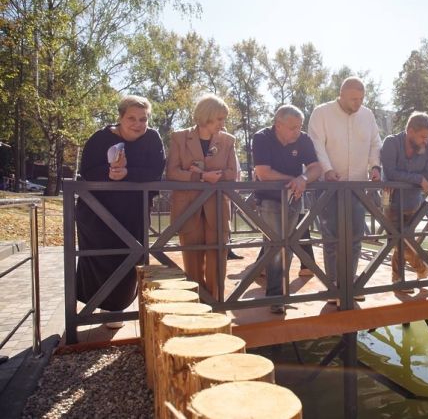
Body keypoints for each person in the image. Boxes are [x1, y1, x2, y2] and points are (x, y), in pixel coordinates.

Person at [76, 95, 165, 328]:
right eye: (132, 118)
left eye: (143, 119)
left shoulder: (153, 138)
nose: (138, 124)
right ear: (120, 117)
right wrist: (109, 173)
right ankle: (97, 307)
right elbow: (87, 171)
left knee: (131, 257)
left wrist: (128, 173)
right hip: (98, 213)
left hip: (134, 210)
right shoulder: (99, 138)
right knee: (101, 258)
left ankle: (117, 309)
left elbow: (156, 171)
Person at [308, 76, 382, 303]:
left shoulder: (367, 115)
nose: (357, 103)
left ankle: (349, 284)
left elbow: (375, 143)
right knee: (331, 237)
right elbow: (316, 143)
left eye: (361, 99)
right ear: (341, 95)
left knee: (355, 236)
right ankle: (333, 286)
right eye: (353, 99)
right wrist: (327, 170)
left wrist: (376, 166)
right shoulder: (321, 113)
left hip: (357, 186)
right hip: (329, 186)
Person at [166, 94, 237, 298]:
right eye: (220, 119)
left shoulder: (228, 140)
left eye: (224, 119)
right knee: (192, 258)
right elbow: (172, 172)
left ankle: (216, 301)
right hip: (187, 206)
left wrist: (219, 175)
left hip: (217, 208)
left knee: (218, 256)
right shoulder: (179, 137)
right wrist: (201, 176)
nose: (223, 123)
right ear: (206, 117)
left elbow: (234, 173)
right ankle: (196, 302)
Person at [253, 105, 322, 314]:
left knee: (288, 245)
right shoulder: (262, 138)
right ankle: (277, 296)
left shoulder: (303, 139)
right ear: (278, 125)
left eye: (299, 126)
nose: (297, 131)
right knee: (277, 246)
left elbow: (316, 168)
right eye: (293, 127)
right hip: (269, 200)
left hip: (294, 199)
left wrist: (303, 178)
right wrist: (294, 180)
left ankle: (275, 287)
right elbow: (263, 173)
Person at [380, 111, 428, 293]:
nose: (426, 141)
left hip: (414, 201)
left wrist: (416, 179)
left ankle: (398, 280)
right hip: (391, 201)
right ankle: (422, 269)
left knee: (404, 240)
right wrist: (417, 179)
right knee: (398, 239)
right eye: (422, 136)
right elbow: (389, 173)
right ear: (410, 131)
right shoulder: (391, 142)